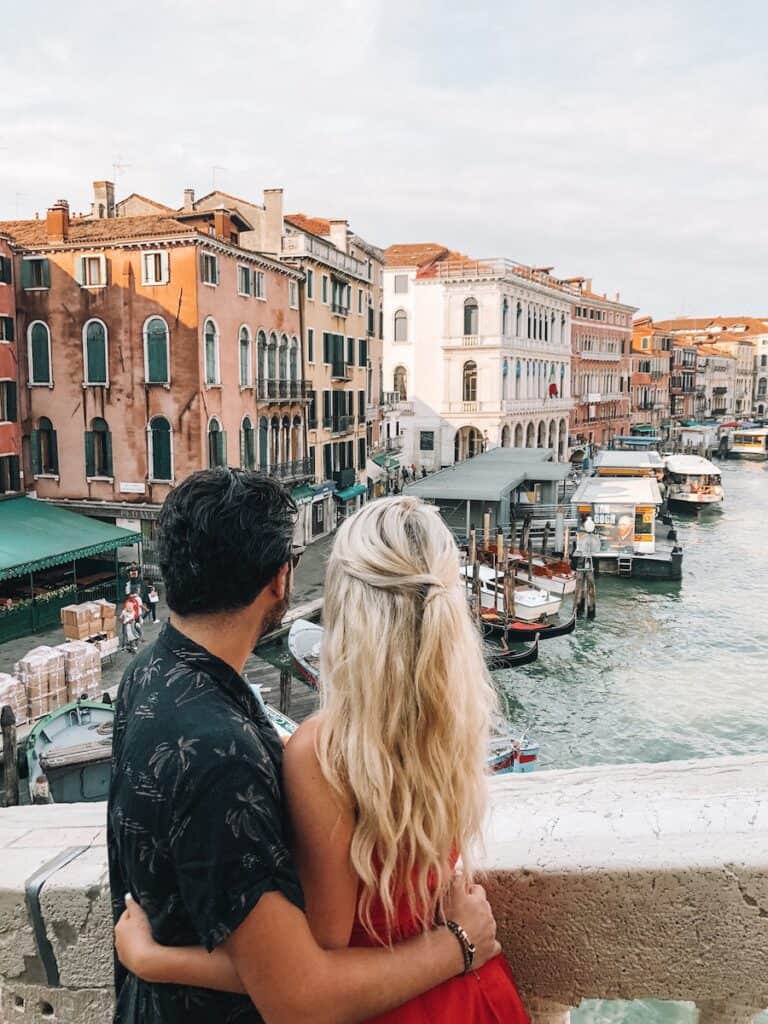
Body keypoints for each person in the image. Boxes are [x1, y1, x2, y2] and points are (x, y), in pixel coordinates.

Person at [109, 471, 500, 1024]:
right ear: (280, 580)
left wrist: (156, 959)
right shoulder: (454, 723)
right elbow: (298, 987)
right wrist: (460, 943)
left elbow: (305, 962)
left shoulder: (146, 673)